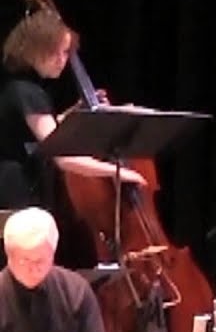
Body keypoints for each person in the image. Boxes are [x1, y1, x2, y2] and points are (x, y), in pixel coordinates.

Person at [1, 11, 146, 210]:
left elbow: (40, 132)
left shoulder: (20, 88)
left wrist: (75, 112)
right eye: (56, 52)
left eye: (65, 53)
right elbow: (62, 155)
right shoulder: (28, 93)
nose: (63, 60)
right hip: (18, 190)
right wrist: (117, 171)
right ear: (35, 49)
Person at [0, 206, 111, 332]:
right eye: (24, 260)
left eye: (40, 260)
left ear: (53, 253)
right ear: (8, 255)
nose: (33, 269)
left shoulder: (76, 290)